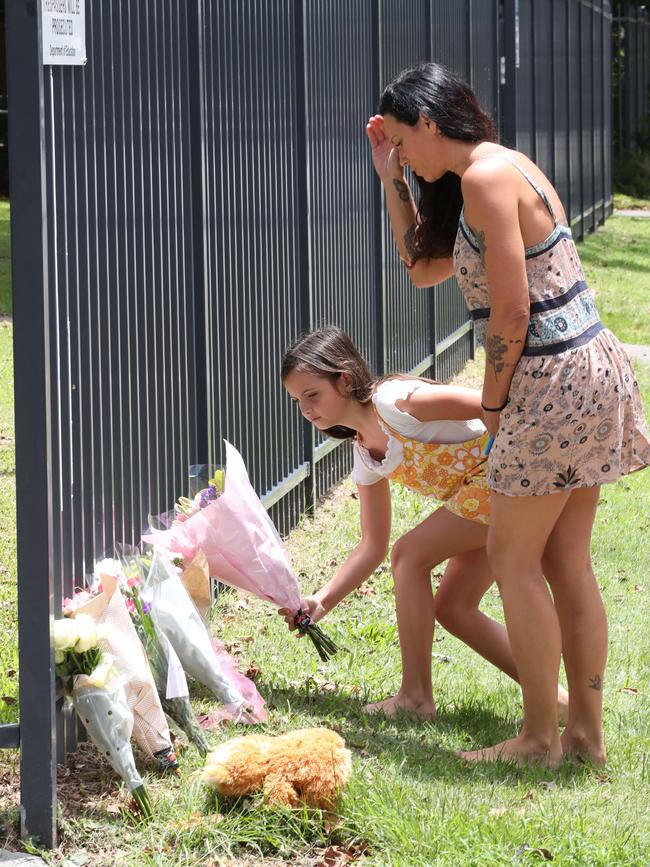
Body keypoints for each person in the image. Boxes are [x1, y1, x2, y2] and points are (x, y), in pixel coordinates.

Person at [366, 61, 650, 765]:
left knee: (511, 556)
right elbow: (423, 267)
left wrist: (493, 402)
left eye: (404, 142)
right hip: (589, 368)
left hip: (549, 381)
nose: (403, 153)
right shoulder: (494, 171)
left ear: (430, 123)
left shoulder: (487, 181)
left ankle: (539, 738)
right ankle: (584, 734)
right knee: (564, 560)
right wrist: (392, 183)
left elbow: (514, 311)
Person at [280, 325, 569, 722]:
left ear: (344, 380)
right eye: (297, 400)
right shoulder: (365, 453)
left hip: (510, 477)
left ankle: (415, 696)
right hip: (480, 499)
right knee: (453, 606)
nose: (306, 408)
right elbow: (371, 545)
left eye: (312, 394)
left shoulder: (397, 402)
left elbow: (495, 402)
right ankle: (556, 702)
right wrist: (321, 602)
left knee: (410, 555)